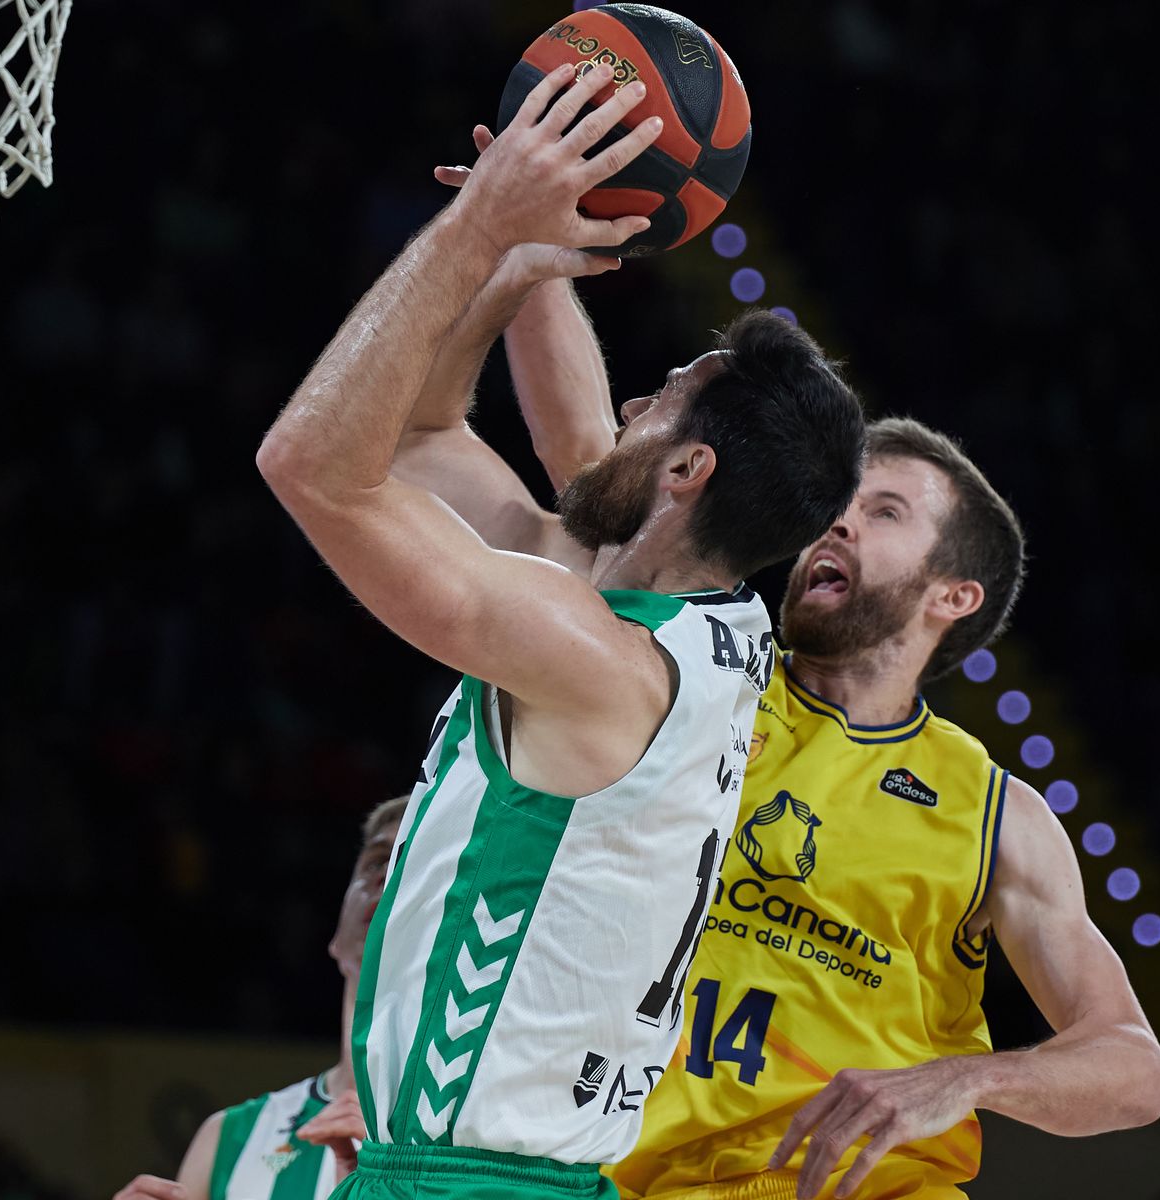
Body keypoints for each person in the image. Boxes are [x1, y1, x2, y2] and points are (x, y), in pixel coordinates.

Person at [255, 61, 867, 1200]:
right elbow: (429, 431)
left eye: (661, 399)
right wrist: (523, 261)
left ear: (689, 469)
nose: (628, 407)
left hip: (464, 1179)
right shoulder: (678, 632)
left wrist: (475, 224)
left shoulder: (593, 659)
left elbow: (315, 467)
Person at [482, 262, 1160, 1200]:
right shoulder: (698, 669)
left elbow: (1133, 1066)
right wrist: (534, 253)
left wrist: (966, 1078)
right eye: (836, 505)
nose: (836, 525)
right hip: (626, 1177)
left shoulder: (993, 814)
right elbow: (595, 459)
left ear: (952, 595)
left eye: (881, 512)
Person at [112, 796, 408, 1200]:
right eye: (376, 861)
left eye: (411, 862)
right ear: (335, 940)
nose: (385, 875)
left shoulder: (483, 1132)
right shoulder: (229, 1137)